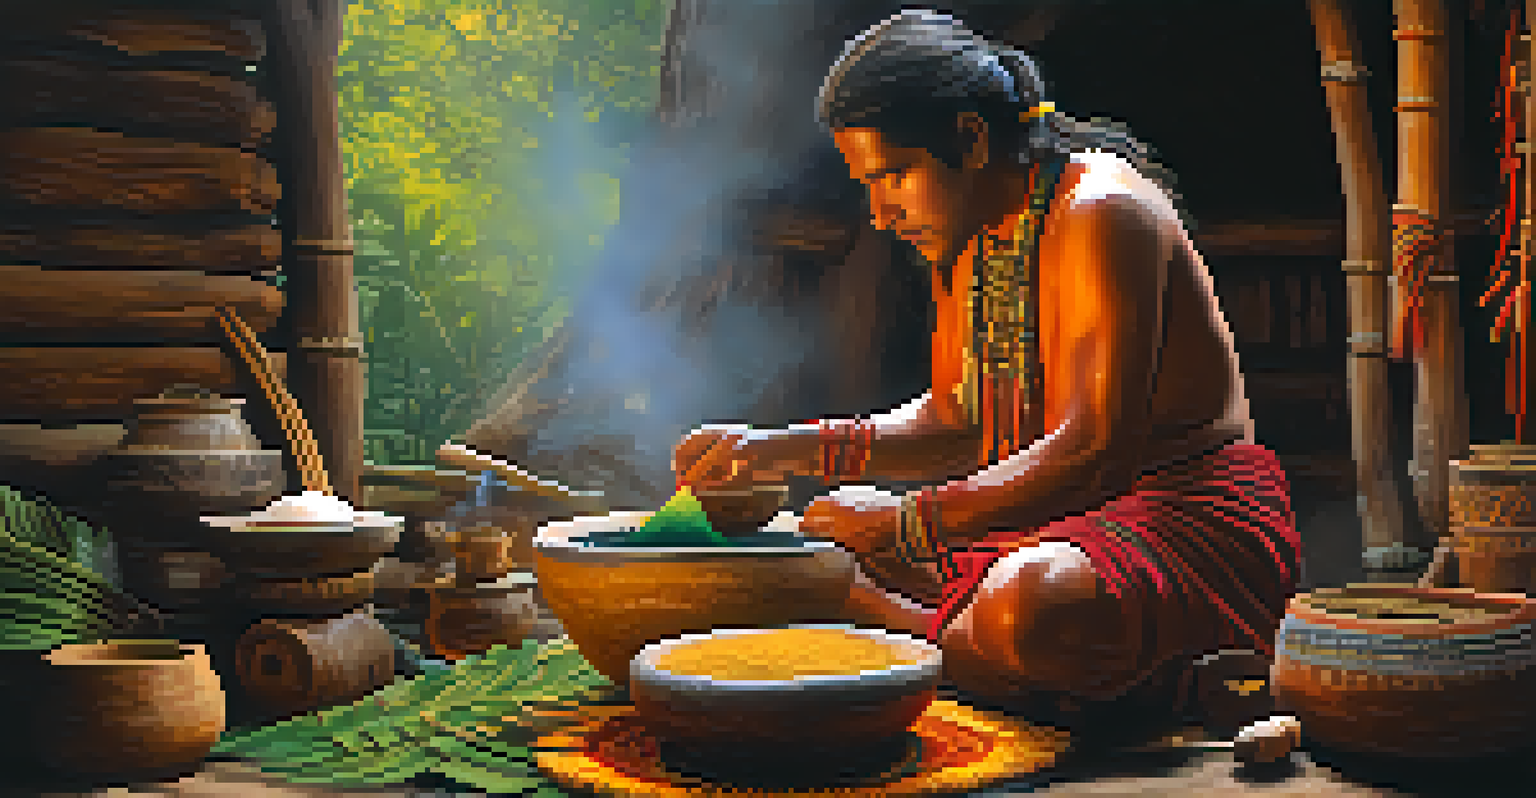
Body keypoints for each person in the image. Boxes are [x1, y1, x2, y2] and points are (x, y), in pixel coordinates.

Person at [672, 9, 1301, 725]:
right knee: (817, 537)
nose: (880, 213)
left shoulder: (1104, 212)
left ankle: (901, 635)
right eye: (868, 185)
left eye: (896, 176)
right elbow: (956, 422)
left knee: (1027, 605)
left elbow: (1094, 453)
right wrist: (783, 448)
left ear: (969, 139)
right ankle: (1005, 665)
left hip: (1187, 525)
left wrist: (905, 523)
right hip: (1060, 525)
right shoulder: (972, 233)